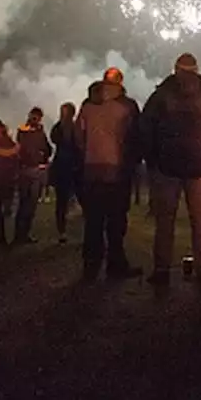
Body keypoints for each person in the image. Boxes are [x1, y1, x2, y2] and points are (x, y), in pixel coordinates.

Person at [141, 53, 201, 286]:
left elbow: (146, 131)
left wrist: (153, 162)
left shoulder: (160, 97)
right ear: (197, 70)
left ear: (175, 69)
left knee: (165, 222)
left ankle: (161, 270)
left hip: (166, 168)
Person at [75, 67, 143, 281]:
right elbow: (135, 137)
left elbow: (78, 135)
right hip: (117, 170)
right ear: (120, 83)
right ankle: (116, 265)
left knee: (93, 220)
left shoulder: (88, 105)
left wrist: (88, 154)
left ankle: (90, 268)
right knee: (115, 221)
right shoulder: (127, 106)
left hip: (91, 169)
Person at [13, 107, 52, 244]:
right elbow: (22, 148)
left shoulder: (40, 131)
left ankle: (25, 233)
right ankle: (19, 234)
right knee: (24, 203)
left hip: (35, 169)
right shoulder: (23, 130)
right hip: (26, 170)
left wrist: (44, 156)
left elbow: (47, 148)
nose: (35, 119)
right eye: (34, 116)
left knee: (31, 205)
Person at [50, 102, 83, 245]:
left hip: (73, 167)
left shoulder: (74, 128)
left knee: (80, 198)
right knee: (62, 201)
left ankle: (74, 229)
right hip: (64, 168)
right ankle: (62, 230)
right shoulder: (60, 128)